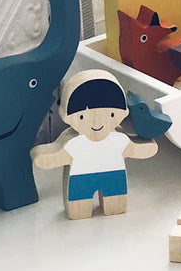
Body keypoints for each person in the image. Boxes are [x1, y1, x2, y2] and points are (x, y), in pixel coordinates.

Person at [32, 69, 157, 219]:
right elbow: (58, 154)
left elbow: (135, 148)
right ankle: (80, 212)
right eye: (83, 117)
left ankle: (113, 206)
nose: (97, 122)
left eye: (111, 114)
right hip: (81, 181)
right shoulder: (74, 142)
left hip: (114, 178)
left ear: (122, 113)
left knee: (115, 204)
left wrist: (149, 147)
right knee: (79, 208)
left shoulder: (119, 139)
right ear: (66, 116)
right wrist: (42, 157)